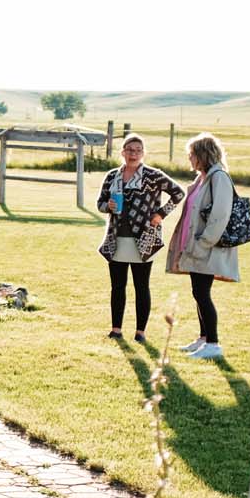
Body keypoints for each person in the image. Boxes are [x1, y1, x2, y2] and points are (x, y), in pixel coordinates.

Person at [95, 133, 184, 343]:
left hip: (144, 238)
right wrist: (107, 206)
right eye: (129, 150)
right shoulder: (111, 176)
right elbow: (100, 203)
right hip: (116, 239)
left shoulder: (153, 175)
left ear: (143, 153)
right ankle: (116, 329)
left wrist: (161, 214)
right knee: (117, 287)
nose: (133, 154)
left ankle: (140, 332)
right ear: (123, 152)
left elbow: (178, 193)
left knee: (141, 286)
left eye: (137, 150)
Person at [165, 132, 239, 360]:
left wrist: (203, 243)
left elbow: (220, 214)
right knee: (198, 291)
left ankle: (213, 344)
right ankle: (204, 338)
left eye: (192, 154)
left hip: (207, 246)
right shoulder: (203, 178)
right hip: (196, 245)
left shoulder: (219, 178)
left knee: (202, 292)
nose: (189, 159)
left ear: (203, 155)